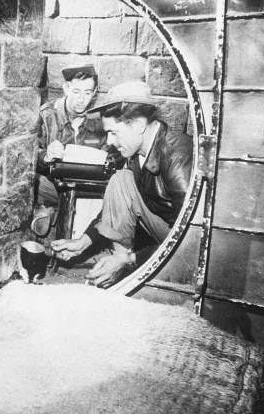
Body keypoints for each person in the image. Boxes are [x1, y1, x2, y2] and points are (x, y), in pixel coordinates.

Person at [51, 81, 192, 288]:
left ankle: (126, 265)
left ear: (138, 125)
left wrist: (133, 259)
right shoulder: (135, 153)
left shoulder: (177, 156)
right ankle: (116, 265)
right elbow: (116, 207)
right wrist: (84, 242)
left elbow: (190, 239)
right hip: (166, 231)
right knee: (121, 179)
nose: (109, 141)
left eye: (114, 132)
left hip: (185, 242)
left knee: (122, 179)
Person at [32, 64, 106, 235]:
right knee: (33, 182)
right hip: (53, 185)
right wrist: (46, 156)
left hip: (87, 189)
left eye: (88, 93)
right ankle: (55, 209)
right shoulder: (47, 115)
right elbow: (31, 155)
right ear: (66, 88)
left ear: (94, 93)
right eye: (76, 92)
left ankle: (51, 211)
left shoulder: (100, 121)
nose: (82, 99)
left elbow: (110, 156)